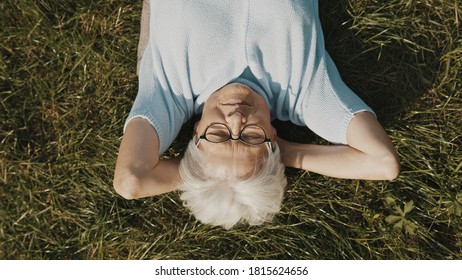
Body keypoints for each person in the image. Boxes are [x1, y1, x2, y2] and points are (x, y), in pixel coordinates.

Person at [113, 0, 400, 229]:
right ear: (273, 138)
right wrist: (285, 153)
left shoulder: (170, 90)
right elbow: (382, 162)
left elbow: (130, 181)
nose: (237, 118)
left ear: (196, 131)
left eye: (218, 134)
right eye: (251, 136)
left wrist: (201, 173)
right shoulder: (303, 90)